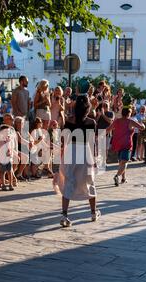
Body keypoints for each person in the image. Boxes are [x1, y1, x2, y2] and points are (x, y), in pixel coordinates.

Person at [53, 90, 101, 228]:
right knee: (89, 181)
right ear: (88, 107)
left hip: (71, 151)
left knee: (69, 181)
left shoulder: (69, 121)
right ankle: (93, 213)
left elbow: (64, 140)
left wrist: (62, 156)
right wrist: (95, 160)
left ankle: (64, 215)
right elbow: (93, 143)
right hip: (85, 151)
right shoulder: (91, 122)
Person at [107, 107, 145, 186]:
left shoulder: (116, 121)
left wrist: (98, 135)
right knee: (124, 162)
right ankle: (117, 176)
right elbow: (141, 127)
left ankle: (123, 178)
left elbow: (108, 129)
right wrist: (143, 125)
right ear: (129, 114)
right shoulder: (130, 121)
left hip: (117, 144)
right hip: (126, 144)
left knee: (122, 162)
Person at [0, 113, 16, 191]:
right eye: (9, 119)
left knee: (9, 170)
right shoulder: (2, 130)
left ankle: (11, 184)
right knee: (3, 170)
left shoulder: (11, 131)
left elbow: (12, 143)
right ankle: (3, 184)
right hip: (2, 155)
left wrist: (14, 152)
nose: (12, 120)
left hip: (9, 154)